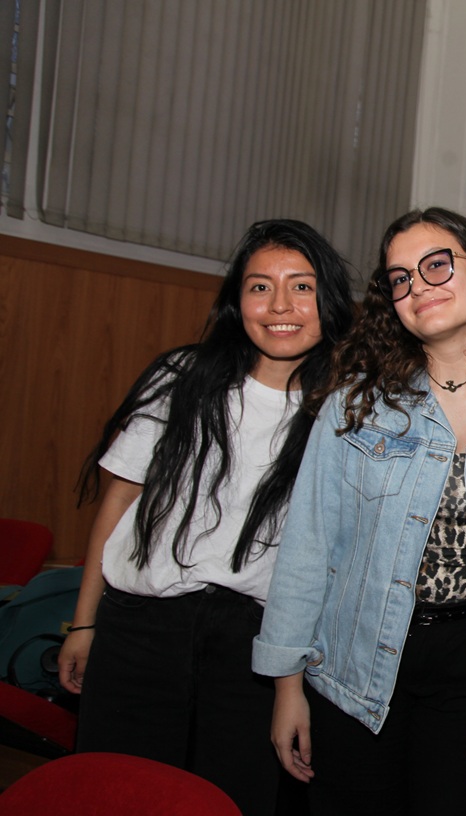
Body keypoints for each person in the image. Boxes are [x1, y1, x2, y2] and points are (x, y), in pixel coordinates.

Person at [60, 219, 354, 814]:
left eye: (301, 287)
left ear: (329, 301)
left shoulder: (348, 413)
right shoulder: (181, 379)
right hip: (139, 629)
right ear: (236, 301)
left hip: (254, 648)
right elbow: (118, 502)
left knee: (228, 800)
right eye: (259, 287)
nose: (280, 306)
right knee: (116, 794)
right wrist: (83, 623)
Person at [253, 208, 466, 815]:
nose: (419, 286)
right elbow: (308, 547)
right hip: (355, 662)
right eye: (401, 278)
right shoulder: (357, 402)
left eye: (436, 266)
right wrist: (287, 686)